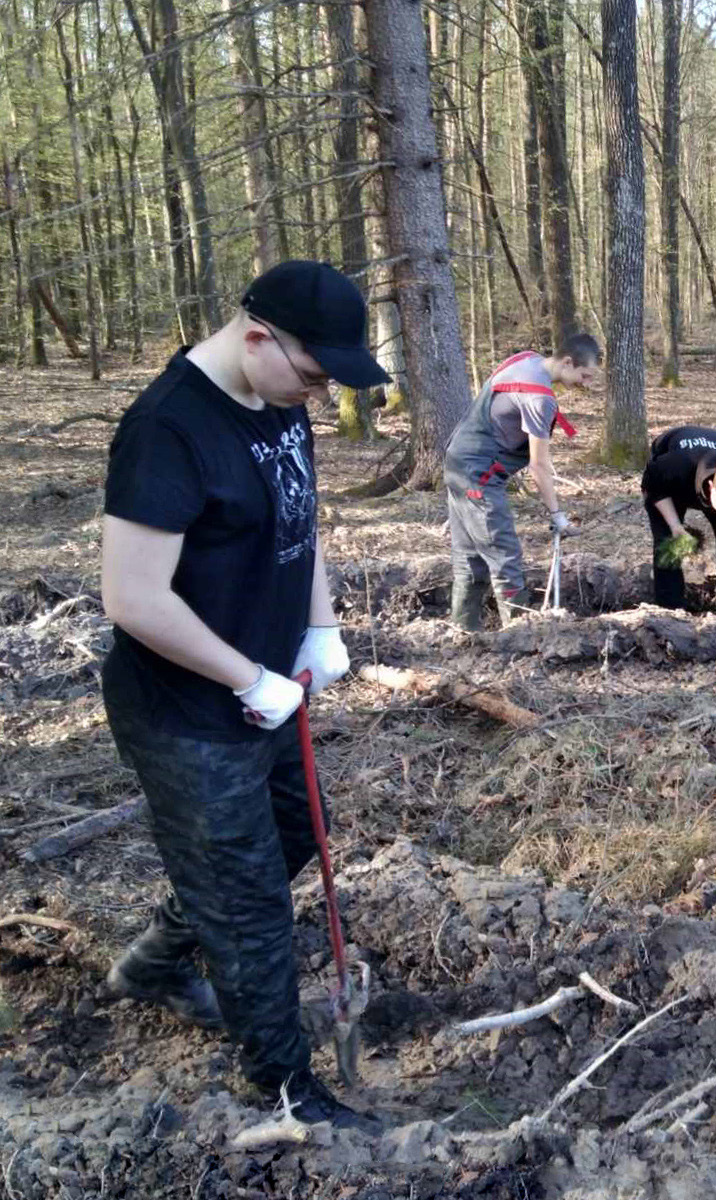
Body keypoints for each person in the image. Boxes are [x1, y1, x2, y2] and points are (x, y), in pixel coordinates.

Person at [99, 260, 390, 1130]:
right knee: (251, 905)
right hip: (187, 715)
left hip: (270, 694)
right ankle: (291, 1090)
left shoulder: (278, 400)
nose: (319, 396)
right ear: (258, 336)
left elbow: (301, 519)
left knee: (296, 834)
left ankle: (156, 961)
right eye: (315, 375)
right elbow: (133, 597)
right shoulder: (168, 429)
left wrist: (321, 627)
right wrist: (244, 675)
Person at [444, 334, 602, 629]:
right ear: (567, 362)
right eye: (585, 375)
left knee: (469, 557)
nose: (586, 383)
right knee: (504, 556)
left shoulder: (526, 359)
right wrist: (557, 516)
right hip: (478, 475)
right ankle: (521, 635)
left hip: (458, 460)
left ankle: (463, 630)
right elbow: (537, 466)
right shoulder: (539, 398)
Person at [641, 425, 716, 616]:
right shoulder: (676, 465)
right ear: (711, 487)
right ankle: (671, 609)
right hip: (670, 482)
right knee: (669, 542)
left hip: (709, 476)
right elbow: (652, 487)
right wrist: (675, 526)